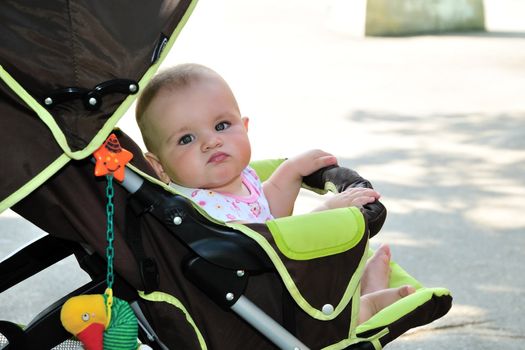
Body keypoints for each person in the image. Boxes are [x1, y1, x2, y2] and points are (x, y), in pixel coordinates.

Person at [135, 63, 415, 324]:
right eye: (187, 139)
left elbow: (268, 207)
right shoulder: (190, 211)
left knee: (332, 274)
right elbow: (265, 240)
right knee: (322, 299)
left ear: (244, 128)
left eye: (222, 126)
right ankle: (370, 307)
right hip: (258, 309)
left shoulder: (241, 178)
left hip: (281, 283)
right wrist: (327, 213)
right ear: (158, 166)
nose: (211, 141)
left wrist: (291, 171)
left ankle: (363, 286)